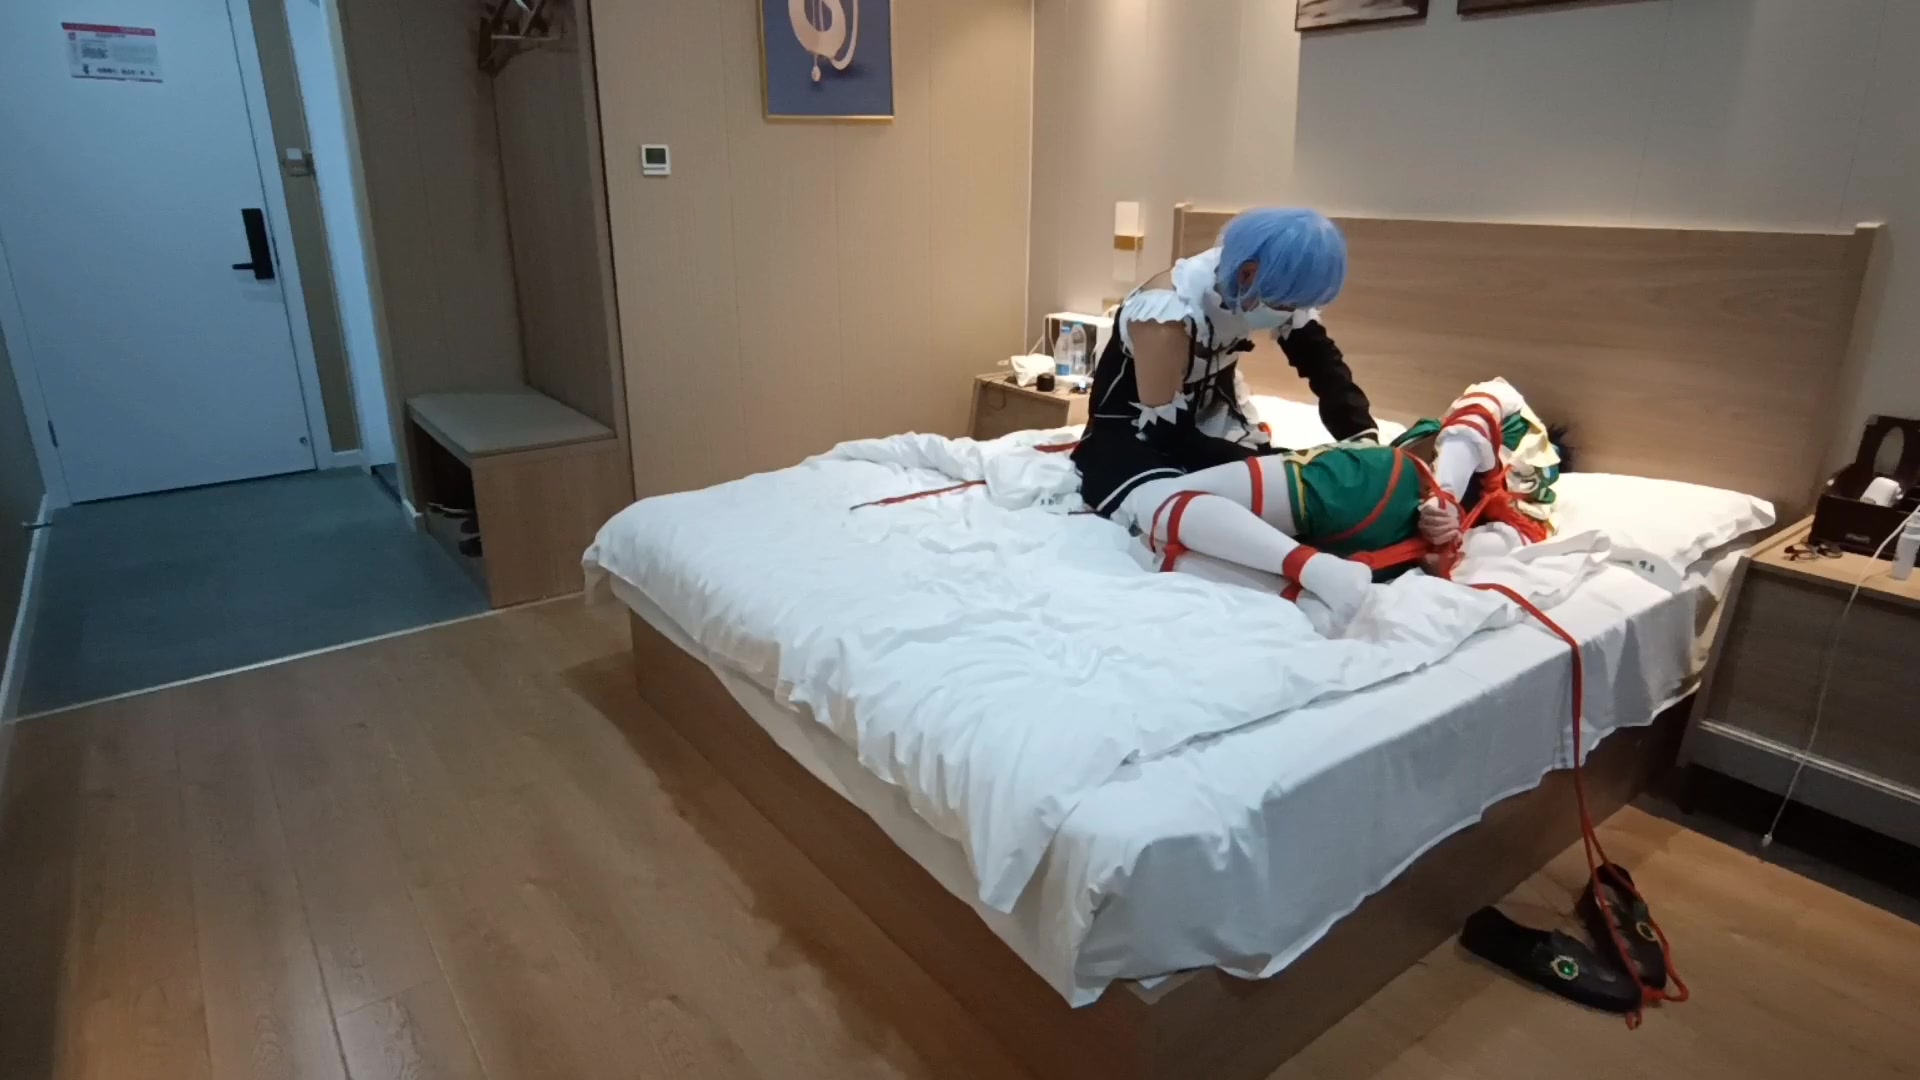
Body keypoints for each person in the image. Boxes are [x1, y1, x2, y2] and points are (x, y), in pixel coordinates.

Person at [1071, 207, 1383, 621]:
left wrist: (1363, 440)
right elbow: (1169, 436)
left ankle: (1310, 563)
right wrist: (1262, 465)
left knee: (1300, 482)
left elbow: (1324, 367)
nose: (1290, 312)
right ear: (1249, 274)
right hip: (1136, 435)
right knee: (1159, 502)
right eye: (1287, 303)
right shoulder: (1166, 313)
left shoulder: (1264, 281)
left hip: (1210, 422)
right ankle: (1308, 570)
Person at [1139, 377, 1564, 629]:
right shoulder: (1532, 518)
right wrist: (1444, 534)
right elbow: (1480, 548)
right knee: (1183, 547)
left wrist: (1447, 494)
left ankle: (1314, 571)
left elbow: (1481, 409)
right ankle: (1312, 581)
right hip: (1388, 552)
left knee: (1155, 502)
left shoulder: (1525, 435)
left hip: (1374, 481)